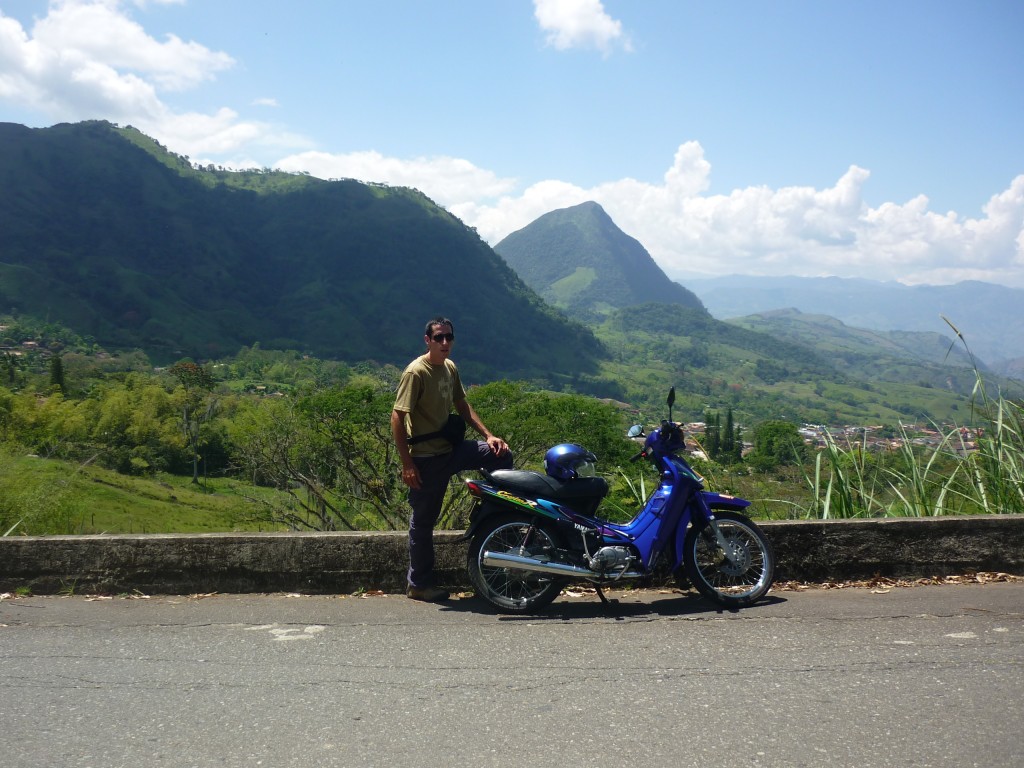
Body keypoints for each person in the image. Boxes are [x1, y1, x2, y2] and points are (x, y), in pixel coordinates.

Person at [391, 317, 513, 602]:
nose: (444, 343)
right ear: (427, 340)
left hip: (451, 449)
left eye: (448, 337)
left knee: (501, 455)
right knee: (423, 522)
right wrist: (407, 463)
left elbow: (462, 404)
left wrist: (488, 436)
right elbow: (397, 416)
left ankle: (495, 519)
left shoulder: (449, 367)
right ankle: (418, 584)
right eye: (438, 338)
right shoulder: (416, 372)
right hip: (426, 458)